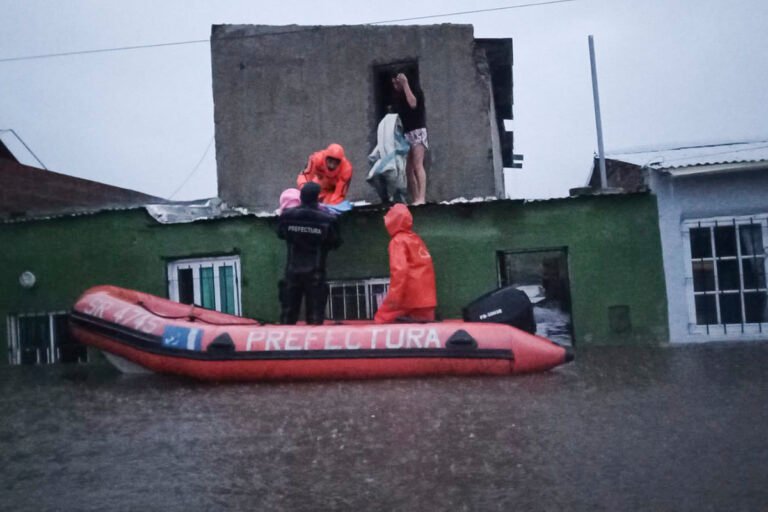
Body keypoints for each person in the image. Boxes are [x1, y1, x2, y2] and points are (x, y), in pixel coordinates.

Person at [277, 182, 342, 325]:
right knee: (315, 317)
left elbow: (281, 234)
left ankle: (283, 346)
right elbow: (335, 242)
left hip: (292, 272)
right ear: (318, 197)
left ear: (301, 197)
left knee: (288, 316)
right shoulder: (328, 219)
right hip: (316, 273)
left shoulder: (287, 216)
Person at [374, 203, 436, 323]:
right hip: (427, 300)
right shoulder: (416, 238)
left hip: (410, 300)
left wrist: (392, 302)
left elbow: (399, 272)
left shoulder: (397, 241)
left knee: (381, 321)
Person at [391, 71, 428, 205]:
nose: (395, 85)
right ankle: (416, 197)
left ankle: (422, 198)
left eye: (397, 82)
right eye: (394, 83)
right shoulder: (398, 97)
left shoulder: (415, 91)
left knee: (418, 164)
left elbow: (413, 104)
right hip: (406, 133)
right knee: (408, 169)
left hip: (417, 130)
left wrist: (405, 84)